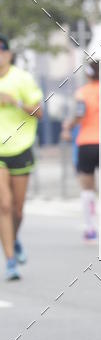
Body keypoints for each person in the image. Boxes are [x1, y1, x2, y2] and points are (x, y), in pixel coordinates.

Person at [0, 35, 43, 280]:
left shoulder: (22, 78)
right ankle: (10, 261)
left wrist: (15, 101)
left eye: (1, 51)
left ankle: (13, 239)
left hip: (21, 148)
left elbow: (39, 112)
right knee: (3, 205)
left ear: (8, 54)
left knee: (17, 210)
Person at [61, 60, 100, 241]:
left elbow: (79, 114)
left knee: (87, 187)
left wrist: (68, 127)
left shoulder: (82, 93)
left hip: (87, 143)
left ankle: (90, 228)